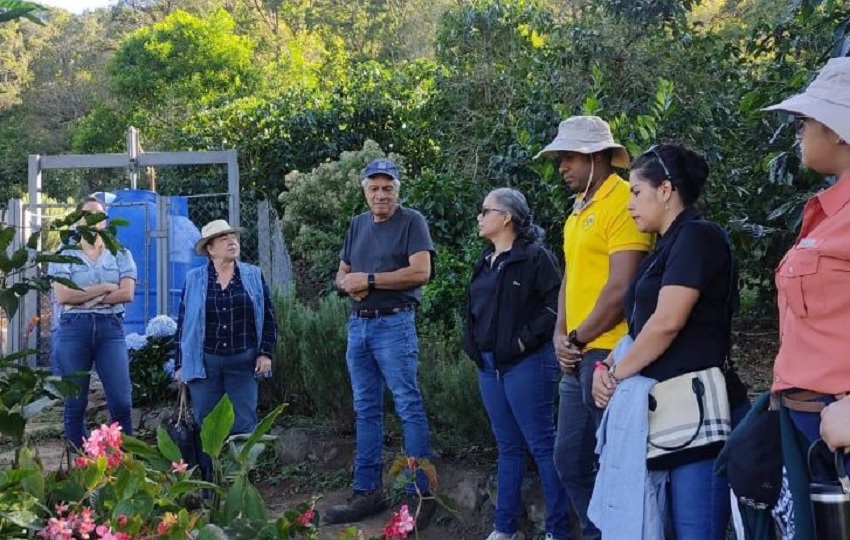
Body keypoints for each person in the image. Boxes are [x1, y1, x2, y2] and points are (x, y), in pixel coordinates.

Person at [591, 143, 749, 539]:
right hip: (661, 413)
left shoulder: (698, 237)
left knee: (695, 531)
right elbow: (640, 327)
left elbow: (666, 322)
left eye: (636, 192)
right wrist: (606, 368)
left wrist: (618, 376)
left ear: (665, 190)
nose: (629, 204)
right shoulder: (665, 247)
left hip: (697, 415)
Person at [535, 115, 652, 539]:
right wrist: (559, 334)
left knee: (616, 462)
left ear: (598, 156)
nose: (561, 166)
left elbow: (623, 285)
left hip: (608, 353)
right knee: (569, 460)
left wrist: (578, 338)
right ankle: (598, 532)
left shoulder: (625, 201)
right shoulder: (577, 210)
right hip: (576, 351)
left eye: (568, 157)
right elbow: (571, 276)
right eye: (559, 158)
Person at [761, 57, 850, 532]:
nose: (798, 132)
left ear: (839, 131)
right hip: (809, 426)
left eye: (805, 121)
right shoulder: (826, 210)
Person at [325, 157, 436, 527]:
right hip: (359, 325)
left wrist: (368, 280)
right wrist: (349, 285)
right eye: (373, 188)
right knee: (365, 410)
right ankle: (366, 492)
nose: (380, 194)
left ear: (397, 190)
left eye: (387, 187)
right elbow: (341, 274)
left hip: (394, 325)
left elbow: (422, 272)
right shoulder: (356, 225)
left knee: (407, 406)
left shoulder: (412, 222)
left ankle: (420, 496)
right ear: (364, 190)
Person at [462, 188, 568, 540]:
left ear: (506, 217)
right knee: (507, 447)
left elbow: (556, 305)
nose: (479, 217)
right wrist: (472, 345)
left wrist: (524, 340)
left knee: (541, 445)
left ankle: (558, 530)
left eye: (485, 210)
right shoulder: (485, 260)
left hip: (528, 364)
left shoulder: (536, 258)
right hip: (489, 367)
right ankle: (503, 528)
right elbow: (473, 311)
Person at [174, 219, 277, 445]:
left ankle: (241, 477)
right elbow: (183, 324)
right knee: (208, 424)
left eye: (234, 237)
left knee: (244, 424)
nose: (232, 242)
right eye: (224, 239)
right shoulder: (194, 279)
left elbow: (268, 316)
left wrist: (265, 353)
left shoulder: (252, 275)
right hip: (205, 365)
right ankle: (211, 477)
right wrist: (180, 364)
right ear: (210, 249)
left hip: (243, 363)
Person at [49, 195, 137, 449]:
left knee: (121, 401)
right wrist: (103, 288)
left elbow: (127, 293)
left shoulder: (120, 253)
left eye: (98, 216)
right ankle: (83, 461)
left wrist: (84, 295)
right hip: (73, 330)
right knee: (74, 403)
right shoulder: (64, 254)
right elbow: (63, 295)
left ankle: (123, 462)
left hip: (111, 329)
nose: (93, 220)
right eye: (87, 215)